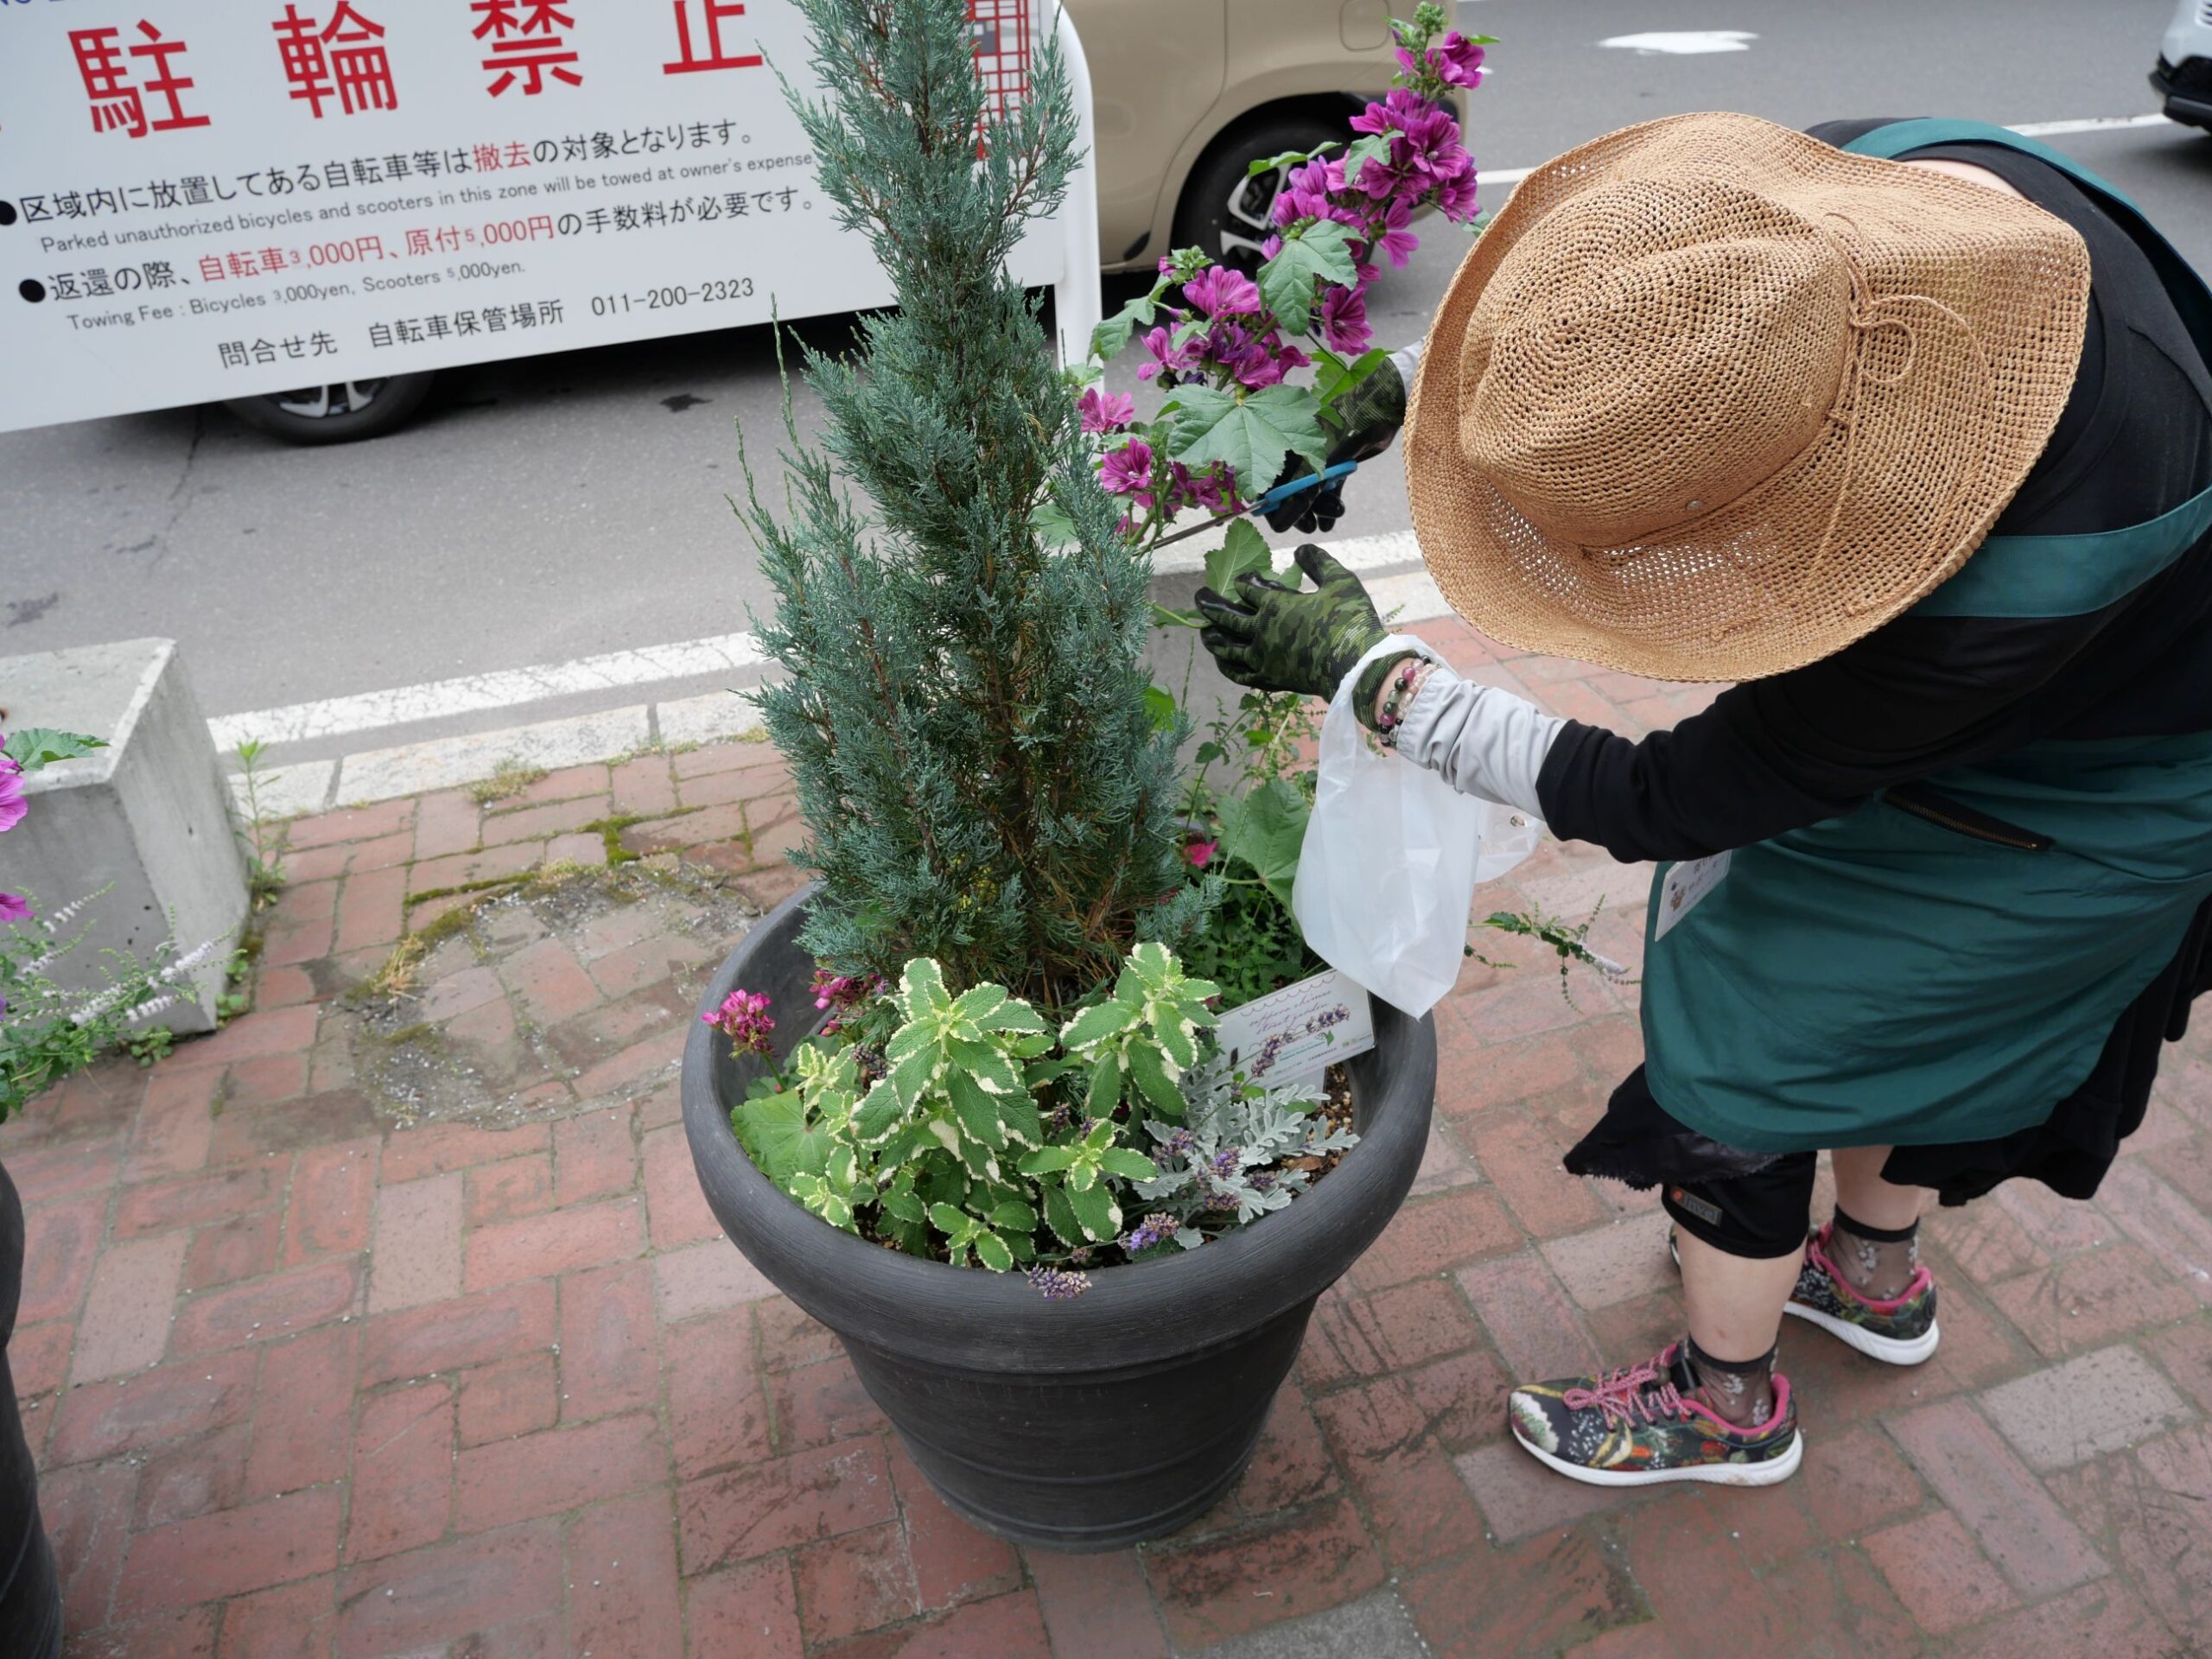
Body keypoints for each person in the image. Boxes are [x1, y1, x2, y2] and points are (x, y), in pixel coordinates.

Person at [1199, 111, 2212, 1488]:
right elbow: (1661, 327)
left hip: (2103, 799)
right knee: (1922, 1032)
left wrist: (1385, 686)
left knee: (1753, 1042)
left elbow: (1668, 797)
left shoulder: (2001, 589)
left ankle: (1729, 1406)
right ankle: (1869, 1272)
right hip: (2092, 702)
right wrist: (1397, 388)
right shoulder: (1898, 203)